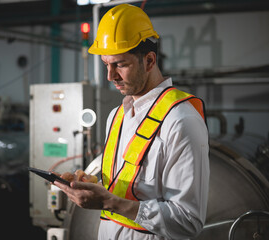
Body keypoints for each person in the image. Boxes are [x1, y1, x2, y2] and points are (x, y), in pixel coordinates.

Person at [54, 4, 210, 240]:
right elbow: (126, 190)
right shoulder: (117, 116)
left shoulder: (181, 121)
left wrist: (109, 201)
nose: (110, 76)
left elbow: (187, 221)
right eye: (107, 64)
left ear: (149, 61)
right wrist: (91, 185)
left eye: (120, 64)